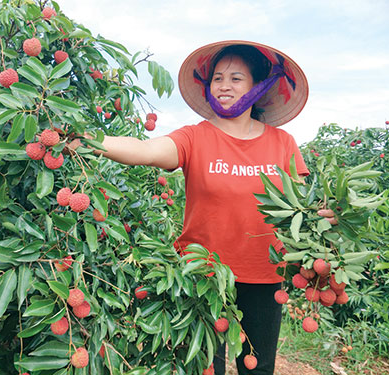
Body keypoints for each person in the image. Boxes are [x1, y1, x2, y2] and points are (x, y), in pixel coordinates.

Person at [89, 40, 337, 374]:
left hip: (263, 273)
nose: (223, 85)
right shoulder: (194, 137)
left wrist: (322, 218)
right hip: (201, 274)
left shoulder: (283, 143)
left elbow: (302, 207)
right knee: (204, 367)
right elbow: (143, 150)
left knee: (258, 367)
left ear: (258, 86)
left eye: (236, 78)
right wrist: (87, 139)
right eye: (218, 78)